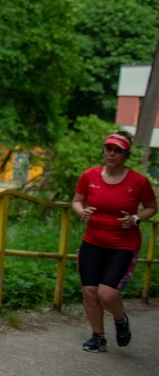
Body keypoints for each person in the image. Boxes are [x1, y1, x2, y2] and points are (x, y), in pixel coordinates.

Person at [71, 131, 156, 353]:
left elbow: (151, 207)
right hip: (92, 241)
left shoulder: (139, 181)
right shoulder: (90, 175)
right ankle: (98, 337)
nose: (111, 154)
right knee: (90, 292)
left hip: (123, 244)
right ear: (103, 151)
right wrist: (82, 211)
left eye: (117, 150)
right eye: (108, 149)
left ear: (126, 154)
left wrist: (135, 219)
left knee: (107, 294)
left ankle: (120, 320)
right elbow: (77, 200)